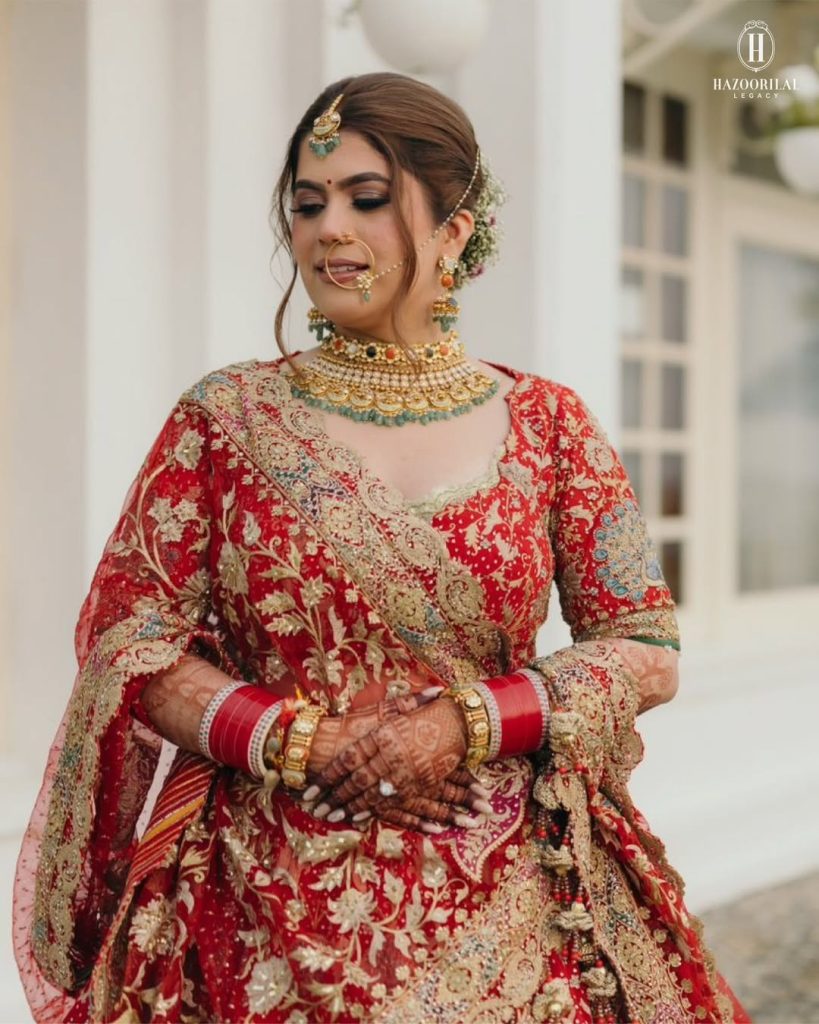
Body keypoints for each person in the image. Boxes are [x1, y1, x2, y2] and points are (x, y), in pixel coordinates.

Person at [13, 72, 750, 1024]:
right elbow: (128, 638)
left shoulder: (548, 426)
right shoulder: (225, 420)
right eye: (308, 204)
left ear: (455, 229)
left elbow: (645, 644)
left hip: (519, 890)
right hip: (252, 890)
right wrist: (298, 740)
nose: (327, 231)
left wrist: (465, 723)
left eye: (368, 200)